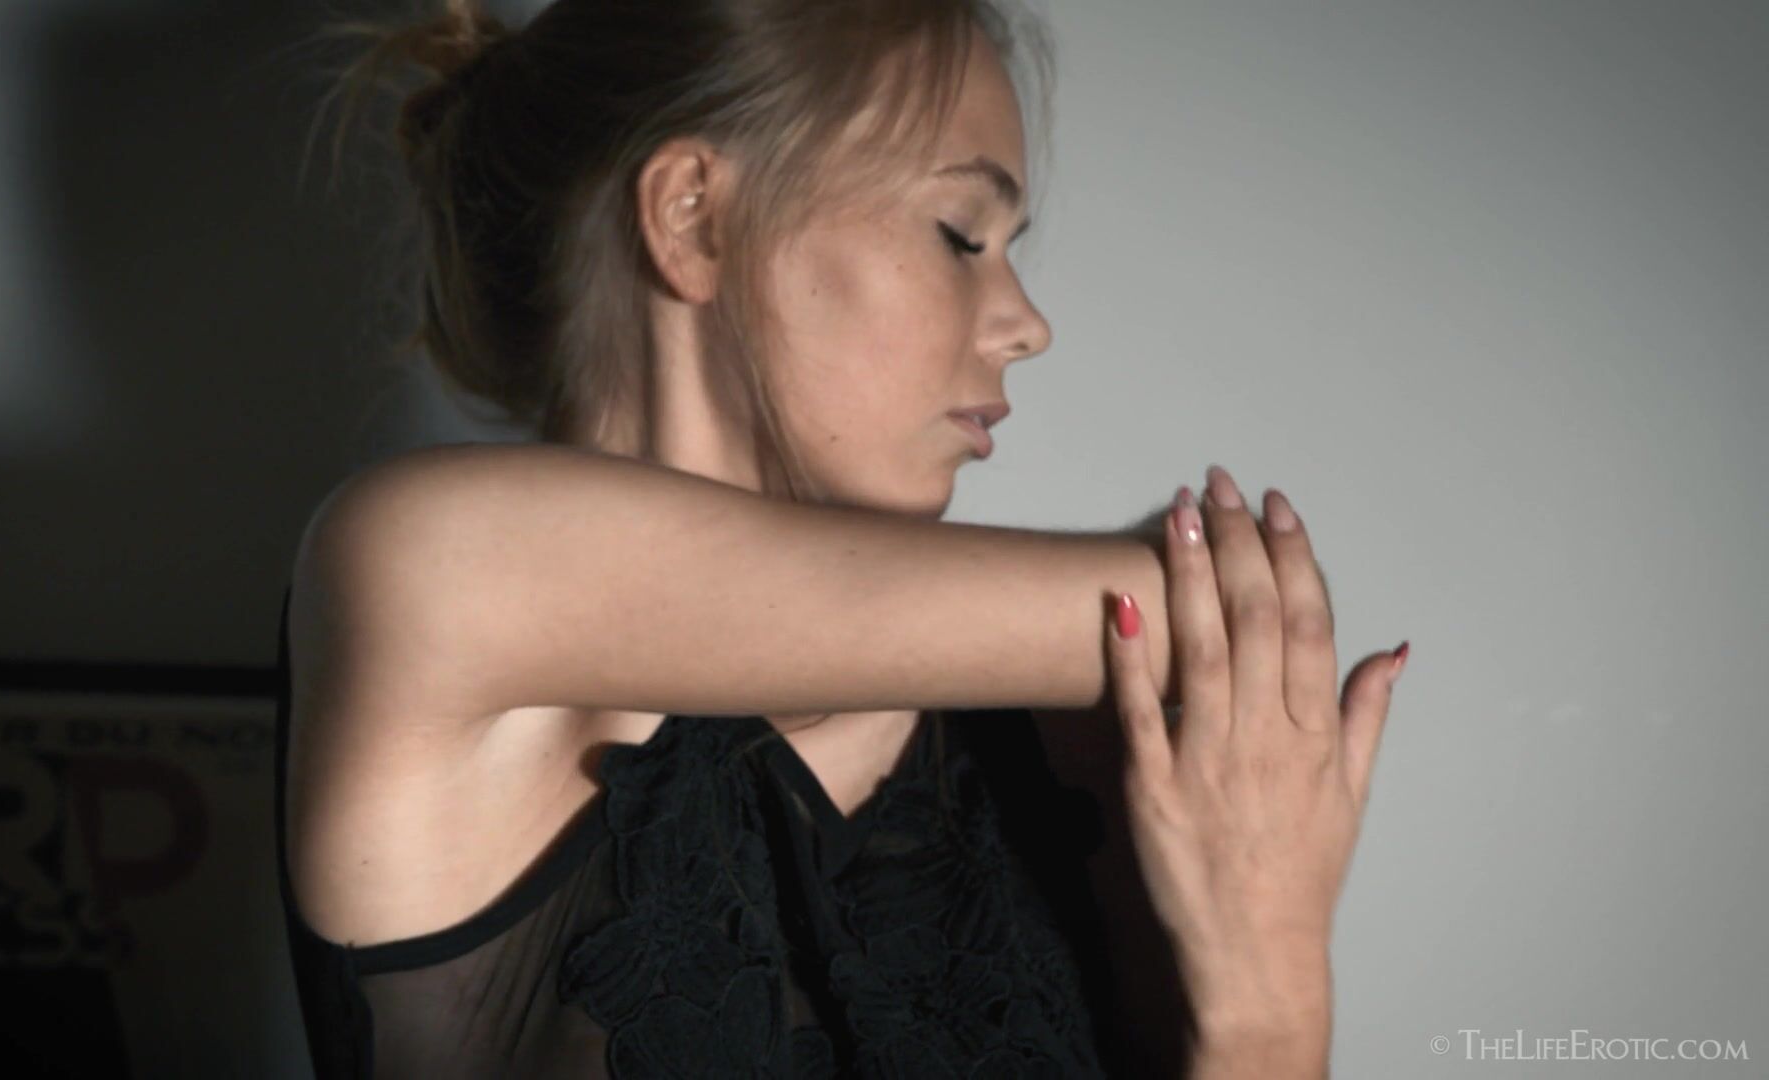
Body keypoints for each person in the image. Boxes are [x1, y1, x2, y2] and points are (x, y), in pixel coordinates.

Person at [272, 1, 1407, 1076]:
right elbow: (1202, 615)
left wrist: (1268, 1015)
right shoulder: (418, 566)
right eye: (961, 235)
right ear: (694, 217)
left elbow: (1214, 618)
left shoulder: (1056, 747)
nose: (1027, 324)